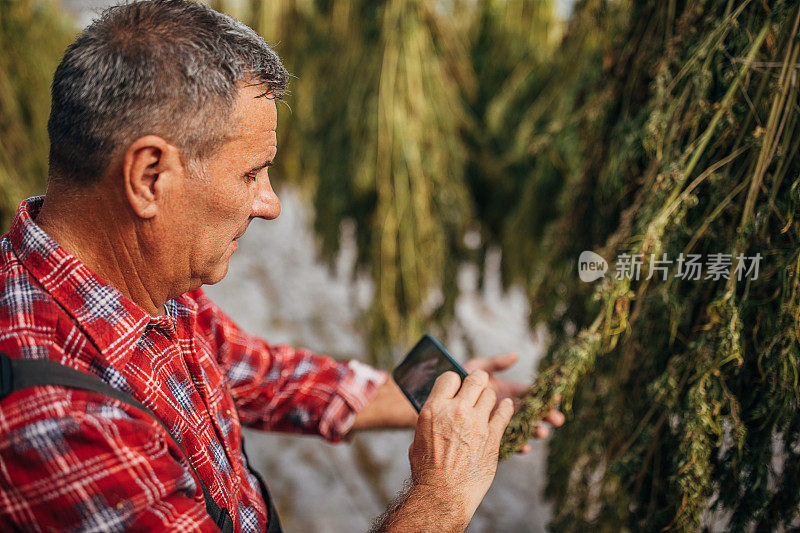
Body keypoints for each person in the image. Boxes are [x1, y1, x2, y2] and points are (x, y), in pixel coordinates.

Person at [0, 1, 563, 531]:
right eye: (252, 174)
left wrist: (440, 391)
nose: (271, 204)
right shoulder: (60, 421)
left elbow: (262, 375)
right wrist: (441, 496)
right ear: (149, 176)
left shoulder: (146, 284)